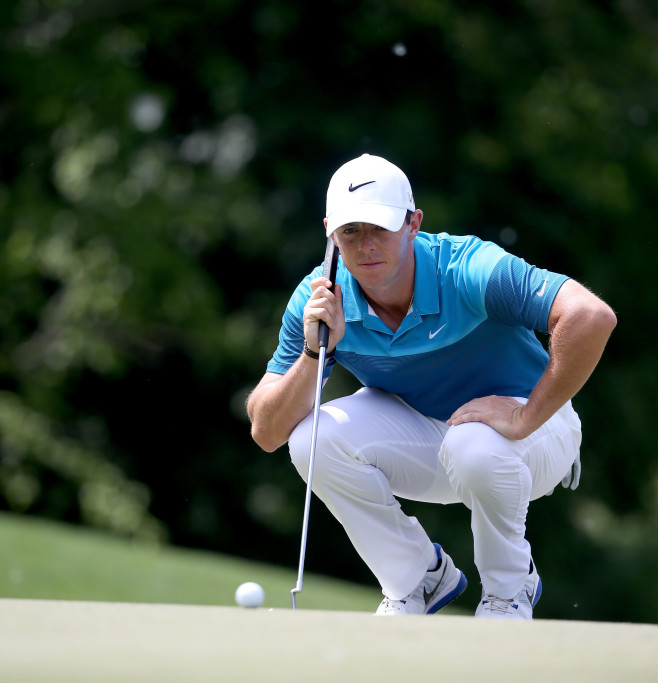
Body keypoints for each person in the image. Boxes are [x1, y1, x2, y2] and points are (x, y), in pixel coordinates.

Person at [246, 153, 616, 618]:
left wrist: (525, 416)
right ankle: (417, 578)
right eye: (351, 231)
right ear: (330, 234)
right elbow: (266, 430)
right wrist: (313, 353)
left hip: (536, 436)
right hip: (433, 441)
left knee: (475, 445)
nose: (365, 246)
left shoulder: (467, 269)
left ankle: (508, 589)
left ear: (413, 223)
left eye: (379, 227)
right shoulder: (320, 298)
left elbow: (591, 317)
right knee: (311, 440)